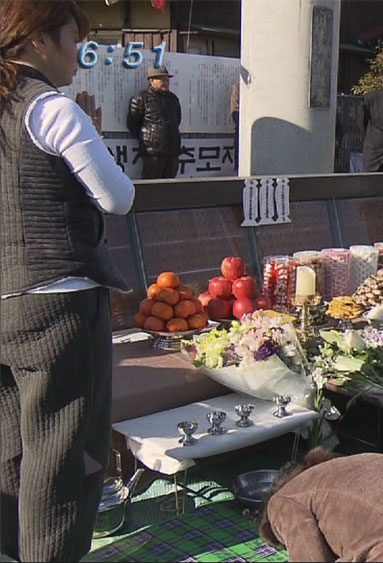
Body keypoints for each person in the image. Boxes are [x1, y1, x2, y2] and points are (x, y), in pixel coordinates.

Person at [0, 2, 135, 560]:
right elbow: (118, 196)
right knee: (61, 450)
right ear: (38, 42)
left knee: (10, 446)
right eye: (71, 38)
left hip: (4, 299)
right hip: (59, 305)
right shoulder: (51, 109)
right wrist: (92, 141)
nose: (77, 52)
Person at [126, 65, 182, 179]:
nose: (165, 82)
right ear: (151, 80)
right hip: (152, 152)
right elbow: (132, 123)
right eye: (161, 79)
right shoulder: (141, 98)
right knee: (151, 187)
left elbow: (177, 119)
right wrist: (148, 138)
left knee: (171, 187)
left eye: (167, 80)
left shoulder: (173, 98)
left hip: (172, 151)